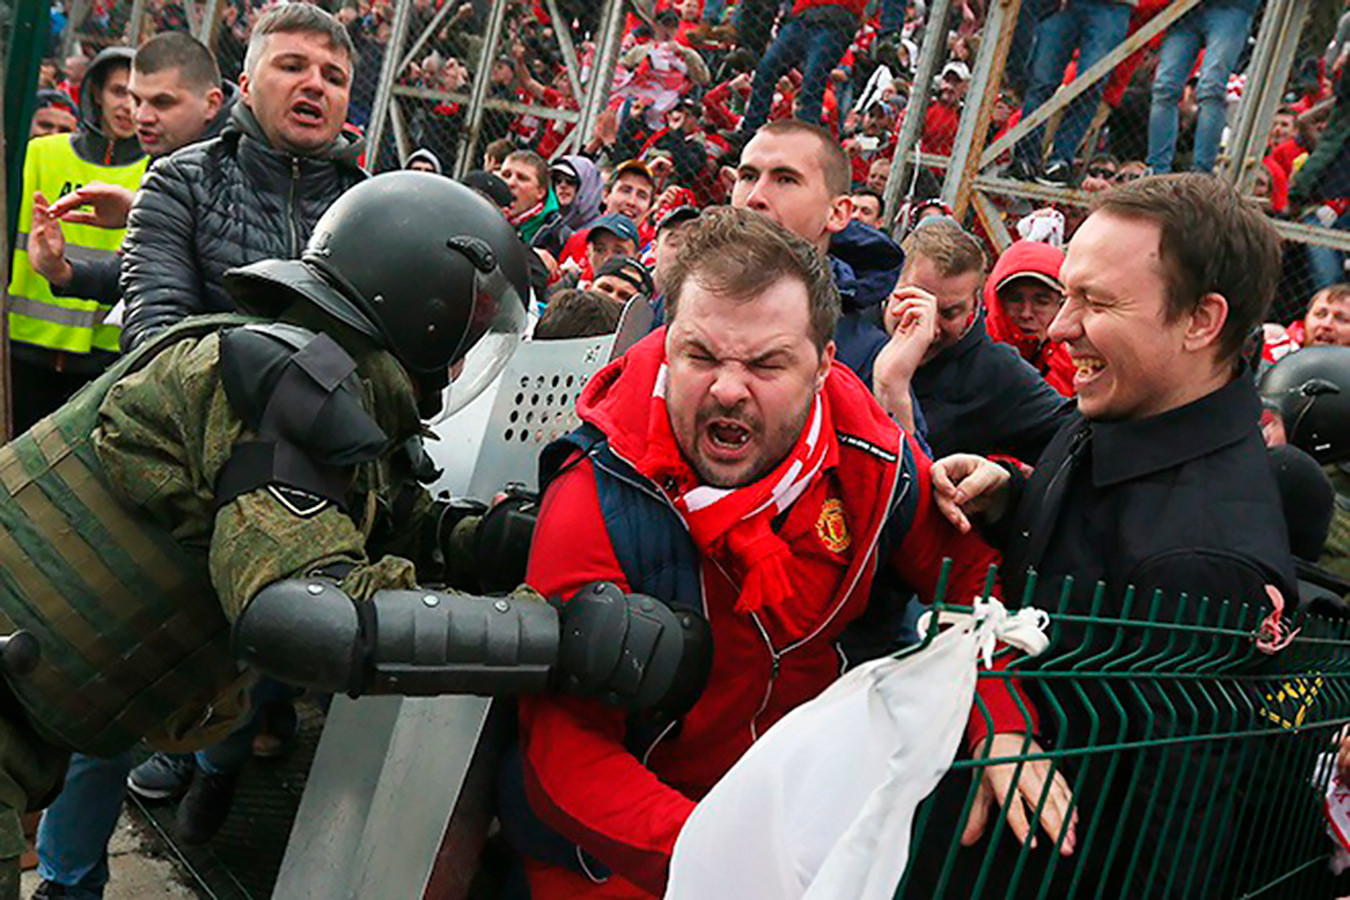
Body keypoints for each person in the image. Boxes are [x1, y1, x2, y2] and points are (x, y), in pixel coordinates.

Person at [0, 174, 702, 900]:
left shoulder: (318, 379)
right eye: (468, 333)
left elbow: (392, 521)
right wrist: (560, 639)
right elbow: (307, 617)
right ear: (423, 313)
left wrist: (508, 537)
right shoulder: (278, 382)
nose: (463, 363)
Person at [504, 206, 997, 899]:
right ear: (668, 342)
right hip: (633, 858)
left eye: (767, 364)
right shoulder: (597, 488)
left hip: (810, 839)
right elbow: (564, 753)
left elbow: (977, 590)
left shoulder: (874, 461)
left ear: (824, 365)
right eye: (701, 356)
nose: (729, 389)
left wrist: (1003, 725)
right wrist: (723, 858)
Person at [913, 174, 1298, 897]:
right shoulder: (1122, 412)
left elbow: (1169, 851)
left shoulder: (1203, 560)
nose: (1059, 327)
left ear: (1201, 321)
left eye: (1097, 302)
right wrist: (1014, 495)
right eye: (1069, 294)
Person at [118, 3, 367, 353]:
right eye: (292, 66)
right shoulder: (180, 184)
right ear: (246, 88)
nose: (315, 85)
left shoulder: (371, 210)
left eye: (334, 77)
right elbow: (155, 341)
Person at [27, 32, 235, 313]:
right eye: (136, 99)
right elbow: (147, 274)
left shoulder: (245, 158)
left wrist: (149, 213)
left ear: (211, 103)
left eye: (162, 102)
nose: (141, 116)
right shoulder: (167, 157)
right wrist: (63, 272)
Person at [7, 47, 147, 434]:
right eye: (120, 92)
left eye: (138, 96)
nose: (128, 107)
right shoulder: (40, 153)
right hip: (22, 343)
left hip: (102, 355)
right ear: (98, 92)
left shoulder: (159, 170)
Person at [874, 219, 1074, 461]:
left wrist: (1007, 484)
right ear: (890, 286)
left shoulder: (996, 372)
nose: (930, 329)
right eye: (914, 304)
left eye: (949, 313)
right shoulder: (845, 331)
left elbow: (1076, 442)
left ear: (974, 306)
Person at [1009, 0, 1134, 187]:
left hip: (1114, 5)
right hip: (1065, 5)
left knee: (1090, 85)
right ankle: (1025, 159)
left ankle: (1060, 162)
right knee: (1042, 80)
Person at [1146, 0, 1260, 174]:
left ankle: (1201, 173)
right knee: (1164, 87)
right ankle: (1156, 169)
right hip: (1185, 9)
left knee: (1211, 88)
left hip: (1232, 7)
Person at [739, 0, 865, 135]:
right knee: (766, 69)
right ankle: (751, 130)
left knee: (813, 78)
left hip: (835, 19)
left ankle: (805, 135)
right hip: (803, 17)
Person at [983, 240, 1075, 396]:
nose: (1026, 313)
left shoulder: (1077, 363)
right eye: (1015, 299)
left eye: (1041, 302)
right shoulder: (973, 354)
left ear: (1061, 305)